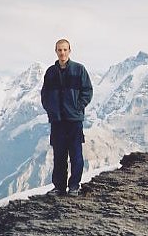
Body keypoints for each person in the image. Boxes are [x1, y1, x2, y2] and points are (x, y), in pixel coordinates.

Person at [41, 39, 93, 197]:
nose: (62, 53)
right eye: (59, 50)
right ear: (55, 51)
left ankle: (74, 186)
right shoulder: (50, 72)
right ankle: (59, 187)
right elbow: (45, 95)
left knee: (76, 155)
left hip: (74, 121)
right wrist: (51, 110)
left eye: (65, 50)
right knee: (59, 156)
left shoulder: (79, 70)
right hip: (57, 122)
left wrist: (77, 107)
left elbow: (88, 91)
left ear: (69, 51)